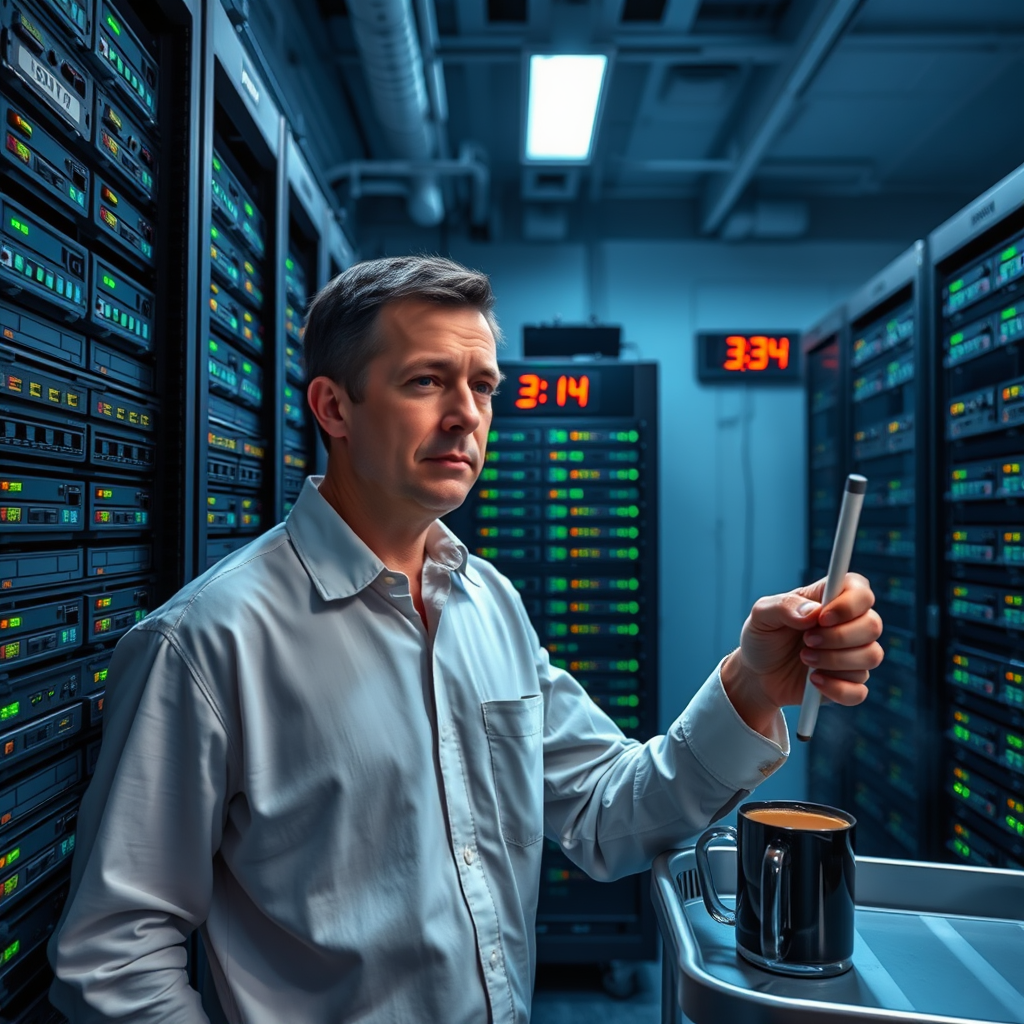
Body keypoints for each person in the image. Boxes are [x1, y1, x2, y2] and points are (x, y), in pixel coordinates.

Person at [49, 256, 882, 1023]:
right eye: (426, 382)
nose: (466, 417)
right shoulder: (204, 645)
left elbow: (606, 811)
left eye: (483, 387)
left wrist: (752, 682)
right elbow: (113, 954)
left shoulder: (490, 605)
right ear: (334, 406)